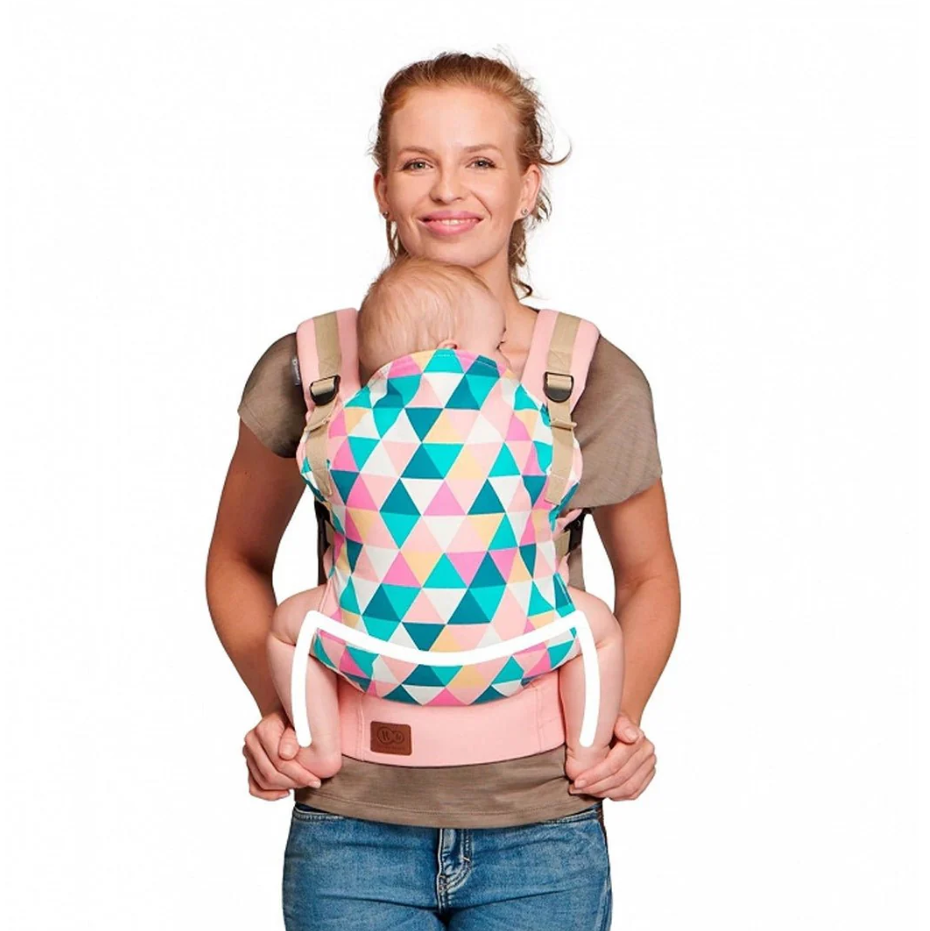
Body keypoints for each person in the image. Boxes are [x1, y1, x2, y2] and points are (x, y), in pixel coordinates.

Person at [207, 51, 679, 930]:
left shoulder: (590, 377)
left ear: (529, 184)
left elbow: (649, 575)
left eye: (481, 160)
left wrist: (617, 727)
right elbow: (236, 557)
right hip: (351, 823)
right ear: (382, 187)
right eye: (418, 162)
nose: (447, 189)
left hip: (541, 825)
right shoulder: (310, 367)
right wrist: (284, 710)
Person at [265, 254, 626, 791]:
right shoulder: (530, 419)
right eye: (497, 345)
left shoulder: (340, 428)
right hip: (516, 646)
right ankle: (589, 749)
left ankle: (317, 747)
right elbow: (563, 479)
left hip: (371, 652)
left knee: (287, 630)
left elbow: (320, 480)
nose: (504, 358)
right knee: (599, 631)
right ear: (457, 351)